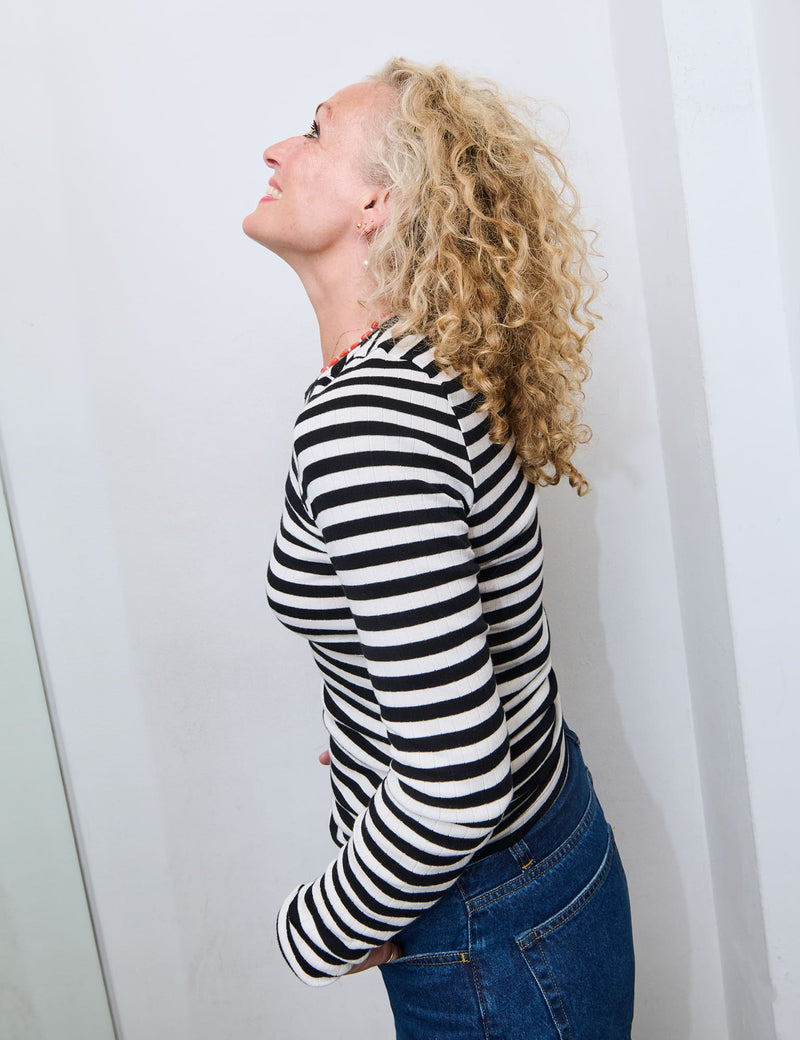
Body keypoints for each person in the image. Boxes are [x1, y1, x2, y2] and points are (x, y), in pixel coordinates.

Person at [243, 57, 635, 1039]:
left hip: (487, 931)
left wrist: (313, 930)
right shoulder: (424, 364)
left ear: (377, 202)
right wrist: (371, 735)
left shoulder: (367, 420)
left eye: (316, 132)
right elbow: (466, 660)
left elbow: (454, 780)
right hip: (536, 872)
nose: (277, 150)